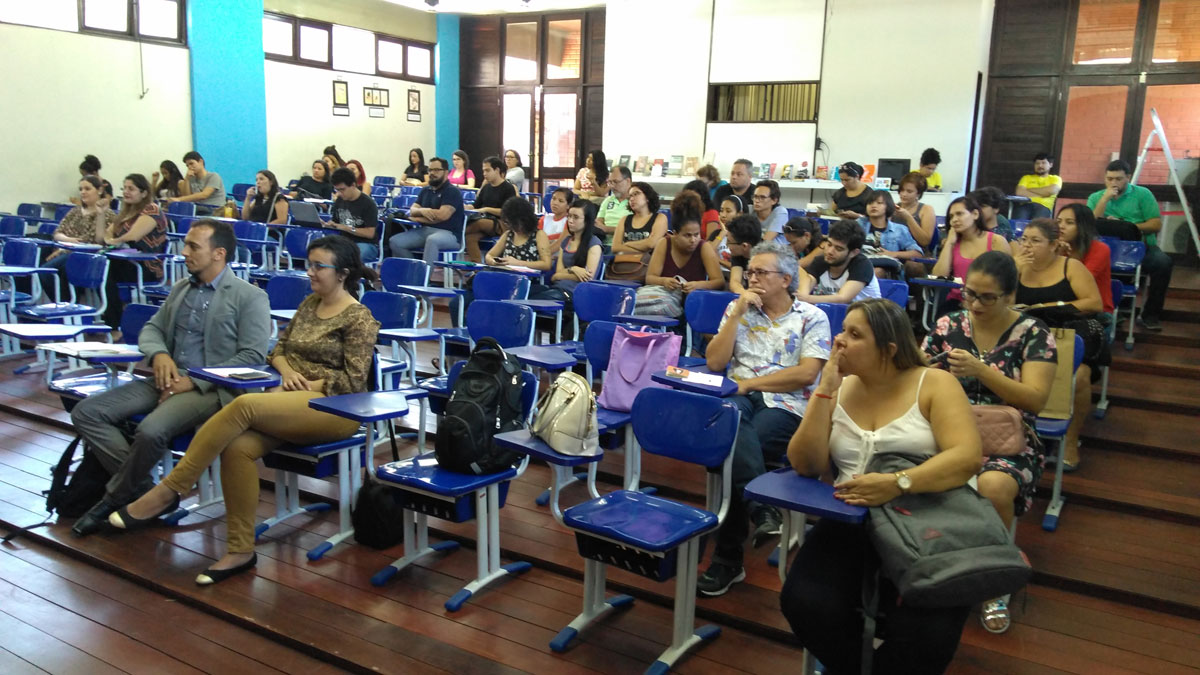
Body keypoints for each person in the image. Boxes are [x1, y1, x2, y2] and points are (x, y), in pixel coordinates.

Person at [109, 235, 379, 585]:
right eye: (308, 264)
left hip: (334, 409)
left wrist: (305, 383)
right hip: (289, 396)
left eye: (318, 266)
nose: (309, 272)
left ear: (342, 273)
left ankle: (171, 488)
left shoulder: (359, 317)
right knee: (237, 449)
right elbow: (278, 350)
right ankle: (240, 550)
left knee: (244, 404)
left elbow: (354, 381)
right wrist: (287, 372)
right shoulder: (309, 304)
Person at [783, 298, 981, 673]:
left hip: (929, 518)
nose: (839, 341)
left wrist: (898, 483)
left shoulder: (935, 383)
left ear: (889, 350)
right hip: (852, 519)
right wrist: (825, 389)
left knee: (929, 631)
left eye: (854, 335)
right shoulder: (840, 388)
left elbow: (967, 457)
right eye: (843, 331)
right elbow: (805, 464)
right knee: (804, 602)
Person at [69, 220, 270, 538]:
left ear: (218, 253)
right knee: (87, 412)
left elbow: (252, 357)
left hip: (211, 389)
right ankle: (149, 492)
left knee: (150, 430)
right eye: (186, 244)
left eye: (193, 246)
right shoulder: (181, 288)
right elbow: (152, 329)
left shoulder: (250, 296)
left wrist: (194, 380)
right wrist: (160, 355)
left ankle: (111, 500)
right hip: (167, 377)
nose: (184, 251)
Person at [922, 251, 1056, 634]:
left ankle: (993, 579)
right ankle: (927, 559)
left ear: (1010, 296)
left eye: (987, 297)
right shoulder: (949, 324)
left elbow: (1034, 399)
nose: (975, 304)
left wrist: (982, 371)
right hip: (946, 431)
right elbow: (917, 371)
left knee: (993, 484)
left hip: (1007, 441)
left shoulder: (1034, 333)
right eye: (969, 294)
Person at [698, 240, 830, 596]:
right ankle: (763, 509)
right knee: (735, 430)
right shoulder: (737, 308)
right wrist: (737, 314)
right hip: (739, 398)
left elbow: (806, 374)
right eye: (750, 271)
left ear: (786, 279)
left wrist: (749, 385)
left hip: (786, 405)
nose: (752, 278)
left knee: (734, 445)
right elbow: (714, 363)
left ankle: (727, 560)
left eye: (761, 272)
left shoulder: (812, 317)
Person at [1015, 218, 1108, 470]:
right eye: (1024, 239)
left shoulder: (1071, 267)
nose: (1027, 246)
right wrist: (1013, 270)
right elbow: (1002, 305)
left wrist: (1046, 307)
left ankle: (1070, 441)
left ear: (1054, 244)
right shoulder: (1018, 266)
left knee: (1080, 377)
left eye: (1035, 241)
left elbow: (1093, 303)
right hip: (1027, 335)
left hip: (1068, 332)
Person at [1087, 159, 1172, 331]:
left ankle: (1150, 315)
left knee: (1164, 263)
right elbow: (1088, 225)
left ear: (1128, 177)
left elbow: (1155, 224)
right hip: (1107, 250)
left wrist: (1127, 226)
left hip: (1140, 247)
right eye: (1109, 179)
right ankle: (1104, 311)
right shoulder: (1096, 197)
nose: (1113, 183)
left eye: (1118, 179)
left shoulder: (1143, 194)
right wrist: (1104, 200)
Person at [453, 197, 551, 324]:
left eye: (512, 222)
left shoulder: (538, 235)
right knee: (456, 303)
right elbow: (489, 255)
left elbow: (546, 264)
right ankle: (468, 335)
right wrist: (494, 261)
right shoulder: (508, 235)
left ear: (523, 219)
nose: (510, 226)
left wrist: (517, 262)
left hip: (524, 283)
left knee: (492, 305)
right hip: (501, 279)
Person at [633, 192, 724, 318]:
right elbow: (650, 278)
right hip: (663, 303)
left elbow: (719, 281)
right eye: (687, 235)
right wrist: (664, 281)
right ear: (675, 234)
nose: (693, 240)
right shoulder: (664, 244)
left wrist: (698, 285)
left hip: (693, 305)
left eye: (696, 234)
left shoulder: (704, 248)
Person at [102, 174, 169, 328]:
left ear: (144, 193)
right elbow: (107, 233)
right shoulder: (126, 211)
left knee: (106, 270)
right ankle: (109, 318)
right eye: (124, 188)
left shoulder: (151, 209)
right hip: (124, 261)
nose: (126, 192)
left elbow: (133, 236)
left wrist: (113, 241)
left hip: (146, 265)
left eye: (131, 189)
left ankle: (114, 324)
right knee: (100, 267)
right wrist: (111, 240)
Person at [931, 196, 1012, 310]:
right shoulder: (952, 244)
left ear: (975, 214)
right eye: (951, 216)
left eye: (960, 214)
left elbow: (1008, 278)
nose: (954, 220)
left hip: (989, 302)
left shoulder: (996, 241)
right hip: (957, 302)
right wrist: (949, 243)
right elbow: (938, 277)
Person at [41, 176, 115, 298]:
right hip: (64, 249)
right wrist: (68, 240)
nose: (83, 192)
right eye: (81, 189)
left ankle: (65, 304)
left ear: (100, 191)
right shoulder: (75, 211)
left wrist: (64, 248)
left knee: (46, 272)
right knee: (33, 266)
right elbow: (58, 233)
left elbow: (92, 241)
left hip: (81, 255)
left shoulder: (107, 214)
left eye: (87, 189)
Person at [388, 156, 464, 263]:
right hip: (425, 231)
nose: (432, 173)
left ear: (446, 172)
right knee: (395, 242)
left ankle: (424, 278)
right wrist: (423, 211)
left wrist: (419, 219)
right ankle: (415, 271)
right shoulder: (425, 190)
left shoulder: (452, 191)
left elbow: (442, 216)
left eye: (437, 170)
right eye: (430, 170)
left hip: (449, 234)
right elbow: (413, 210)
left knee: (432, 240)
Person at [798, 219, 881, 304]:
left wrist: (807, 298)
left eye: (838, 249)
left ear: (854, 252)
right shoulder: (821, 261)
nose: (830, 251)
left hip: (868, 315)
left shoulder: (862, 265)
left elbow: (843, 298)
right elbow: (808, 281)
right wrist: (803, 293)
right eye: (829, 244)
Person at [1057, 203, 1114, 317]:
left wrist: (1057, 258)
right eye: (1058, 221)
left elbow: (1076, 285)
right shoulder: (1057, 247)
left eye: (1069, 222)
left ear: (1083, 226)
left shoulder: (1100, 249)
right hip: (1061, 306)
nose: (1061, 226)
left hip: (1095, 312)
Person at [858, 190, 924, 278]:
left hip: (889, 270)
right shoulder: (857, 225)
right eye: (870, 203)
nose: (873, 206)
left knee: (877, 271)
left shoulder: (899, 229)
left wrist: (893, 254)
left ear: (888, 206)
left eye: (879, 203)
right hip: (861, 265)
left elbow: (918, 253)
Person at [546, 199, 604, 300]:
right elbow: (556, 274)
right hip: (557, 289)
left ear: (587, 220)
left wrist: (560, 275)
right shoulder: (565, 242)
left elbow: (587, 278)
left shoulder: (594, 244)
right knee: (528, 293)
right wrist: (573, 269)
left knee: (532, 299)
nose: (570, 221)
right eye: (569, 216)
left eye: (576, 217)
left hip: (574, 294)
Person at [611, 182, 668, 282]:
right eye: (630, 196)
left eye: (636, 194)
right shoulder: (624, 220)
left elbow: (652, 244)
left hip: (649, 268)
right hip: (624, 267)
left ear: (647, 197)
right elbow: (615, 247)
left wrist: (627, 244)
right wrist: (643, 247)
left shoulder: (659, 218)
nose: (632, 199)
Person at [465, 155, 518, 262]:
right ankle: (477, 268)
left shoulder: (508, 188)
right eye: (483, 171)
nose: (484, 174)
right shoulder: (486, 188)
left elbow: (507, 212)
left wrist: (486, 209)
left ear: (497, 170)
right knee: (470, 237)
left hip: (502, 223)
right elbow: (476, 205)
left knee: (478, 223)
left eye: (487, 170)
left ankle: (457, 232)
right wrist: (466, 207)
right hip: (485, 222)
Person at [327, 167, 379, 262]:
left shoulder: (368, 204)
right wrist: (328, 225)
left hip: (365, 243)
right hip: (343, 241)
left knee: (350, 257)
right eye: (337, 190)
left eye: (342, 189)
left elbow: (370, 233)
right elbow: (336, 223)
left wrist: (346, 228)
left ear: (353, 185)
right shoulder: (340, 200)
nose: (339, 193)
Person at [894, 170, 937, 251]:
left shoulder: (926, 209)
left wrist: (909, 218)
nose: (904, 194)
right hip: (893, 250)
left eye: (909, 191)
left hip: (916, 254)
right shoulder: (894, 207)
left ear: (918, 193)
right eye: (902, 190)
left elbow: (925, 241)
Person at [1013, 152, 1062, 220]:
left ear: (1050, 165)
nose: (1040, 166)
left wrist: (1029, 189)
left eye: (1043, 163)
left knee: (1037, 226)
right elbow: (1019, 192)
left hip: (1044, 206)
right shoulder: (1026, 178)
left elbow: (1052, 190)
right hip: (1026, 205)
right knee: (1018, 224)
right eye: (1037, 163)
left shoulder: (1055, 178)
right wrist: (1043, 194)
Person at [723, 214, 763, 294]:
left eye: (729, 242)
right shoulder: (738, 254)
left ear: (744, 246)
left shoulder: (768, 256)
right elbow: (734, 282)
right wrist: (745, 294)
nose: (727, 245)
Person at [595, 166, 633, 240]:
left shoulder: (635, 201)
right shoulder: (608, 200)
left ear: (628, 181)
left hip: (626, 246)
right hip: (603, 244)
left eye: (615, 182)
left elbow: (636, 230)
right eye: (610, 182)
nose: (612, 186)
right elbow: (599, 223)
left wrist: (607, 229)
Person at [708, 194, 745, 268]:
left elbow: (741, 267)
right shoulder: (716, 234)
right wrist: (723, 233)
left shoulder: (743, 236)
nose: (723, 215)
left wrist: (719, 260)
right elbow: (707, 253)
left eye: (728, 211)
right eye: (721, 211)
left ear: (739, 214)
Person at [538, 186, 574, 257]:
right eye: (553, 199)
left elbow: (560, 244)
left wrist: (541, 255)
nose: (555, 203)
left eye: (561, 201)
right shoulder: (543, 219)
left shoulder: (569, 221)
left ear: (568, 206)